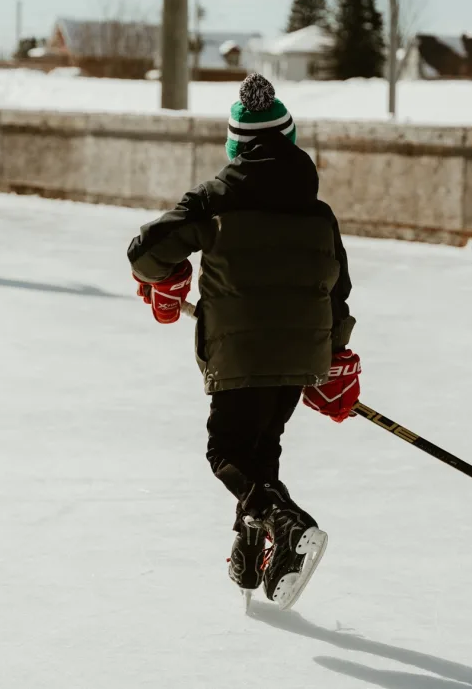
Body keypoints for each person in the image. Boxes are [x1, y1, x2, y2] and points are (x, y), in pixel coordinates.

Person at [126, 73, 359, 608]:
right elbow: (338, 292)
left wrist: (168, 278)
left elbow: (146, 251)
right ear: (290, 140)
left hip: (239, 351)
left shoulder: (215, 202)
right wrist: (335, 357)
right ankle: (255, 558)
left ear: (236, 145)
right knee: (262, 452)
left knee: (227, 450)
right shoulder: (318, 213)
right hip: (299, 356)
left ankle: (288, 525)